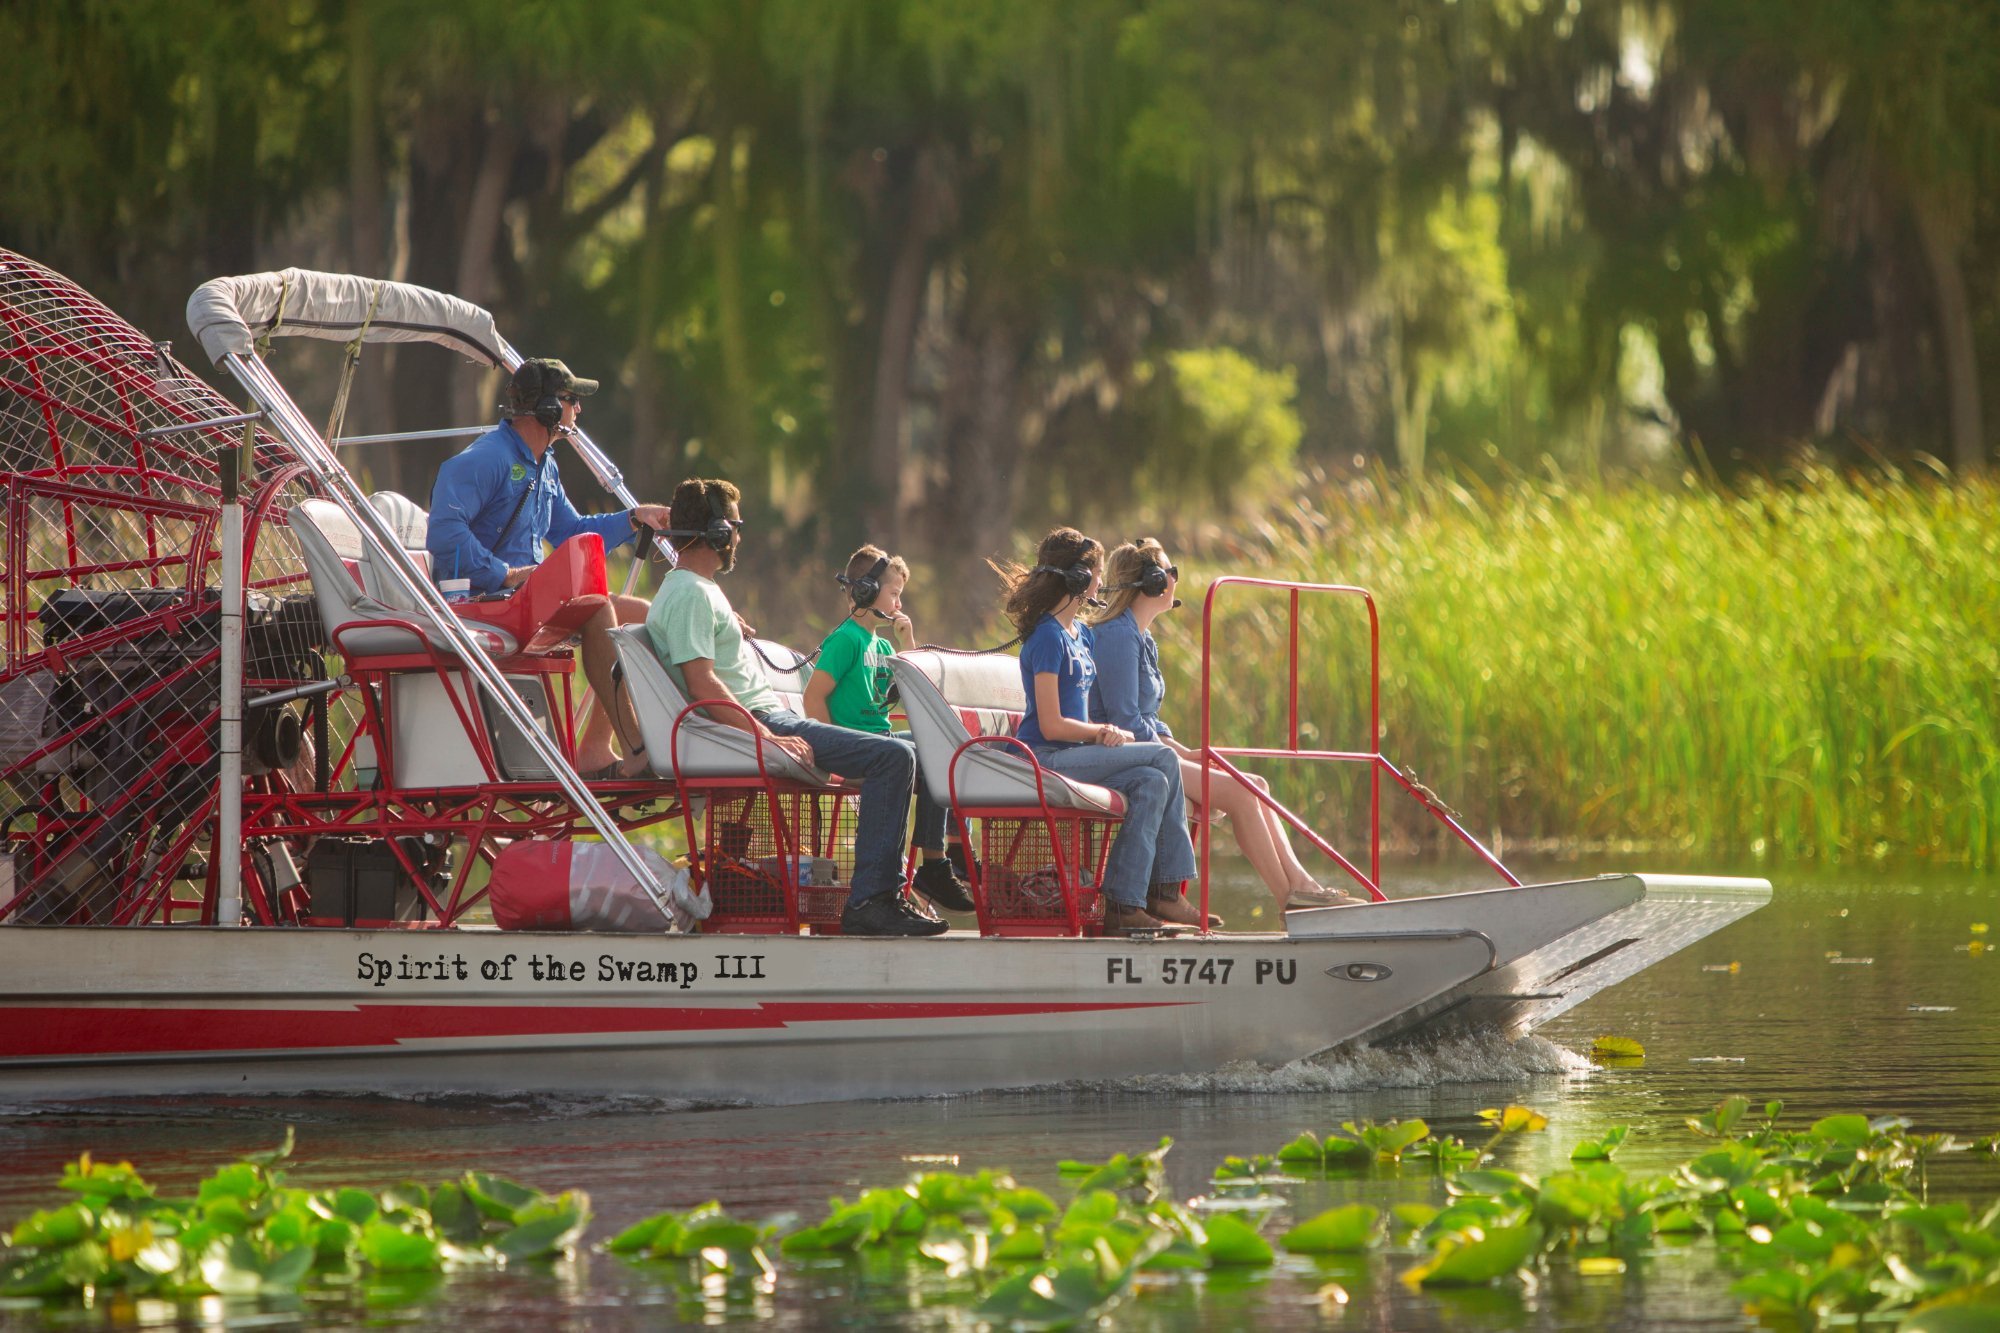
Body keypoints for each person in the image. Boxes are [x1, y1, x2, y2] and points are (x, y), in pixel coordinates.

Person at [644, 479, 947, 938]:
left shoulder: (694, 590)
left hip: (769, 719)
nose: (739, 539)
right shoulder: (689, 593)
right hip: (763, 722)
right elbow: (702, 684)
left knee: (919, 747)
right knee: (894, 756)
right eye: (736, 528)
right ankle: (872, 900)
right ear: (719, 533)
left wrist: (728, 625)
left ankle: (916, 879)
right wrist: (765, 736)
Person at [1088, 539, 1364, 911]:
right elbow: (1125, 719)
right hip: (1129, 756)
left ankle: (1301, 885)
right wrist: (1178, 755)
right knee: (1239, 793)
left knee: (1257, 784)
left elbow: (1148, 718)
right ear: (1152, 582)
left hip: (1150, 750)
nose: (1175, 579)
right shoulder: (1118, 635)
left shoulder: (1142, 637)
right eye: (1171, 572)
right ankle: (1290, 900)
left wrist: (1185, 752)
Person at [426, 358, 667, 780]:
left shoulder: (545, 464)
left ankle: (594, 749)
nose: (579, 410)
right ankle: (638, 749)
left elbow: (570, 530)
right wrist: (504, 573)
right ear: (549, 409)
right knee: (595, 609)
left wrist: (633, 518)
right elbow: (444, 533)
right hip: (482, 601)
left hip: (525, 601)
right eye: (572, 400)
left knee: (643, 616)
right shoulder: (488, 458)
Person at [994, 527, 1203, 935]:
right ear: (1076, 579)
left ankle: (1123, 905)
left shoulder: (1082, 635)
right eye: (1096, 573)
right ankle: (1166, 887)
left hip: (1074, 753)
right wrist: (1098, 732)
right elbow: (1051, 725)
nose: (1102, 582)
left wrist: (1100, 734)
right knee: (1160, 757)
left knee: (1151, 782)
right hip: (1047, 757)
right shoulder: (1047, 639)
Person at [801, 546, 975, 915]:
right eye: (893, 593)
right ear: (864, 591)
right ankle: (933, 863)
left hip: (883, 740)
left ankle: (939, 859)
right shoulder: (846, 639)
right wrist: (835, 750)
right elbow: (813, 697)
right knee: (920, 755)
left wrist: (906, 644)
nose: (899, 603)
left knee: (944, 749)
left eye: (900, 595)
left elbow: (916, 696)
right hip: (858, 747)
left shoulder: (881, 644)